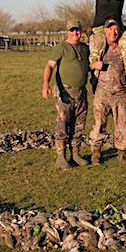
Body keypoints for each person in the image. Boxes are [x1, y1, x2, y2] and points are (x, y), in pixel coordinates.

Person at [42, 19, 90, 169]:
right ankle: (61, 157)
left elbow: (89, 65)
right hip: (65, 92)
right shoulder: (61, 47)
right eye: (72, 30)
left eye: (77, 30)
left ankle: (75, 154)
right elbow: (49, 66)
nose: (75, 33)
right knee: (63, 124)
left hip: (81, 92)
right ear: (67, 32)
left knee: (79, 125)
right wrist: (45, 85)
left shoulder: (85, 48)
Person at [89, 19, 126, 165]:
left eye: (115, 30)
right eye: (110, 29)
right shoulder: (99, 47)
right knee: (99, 123)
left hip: (121, 92)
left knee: (121, 124)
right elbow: (87, 64)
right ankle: (96, 152)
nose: (113, 32)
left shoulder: (124, 47)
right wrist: (93, 65)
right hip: (102, 91)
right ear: (105, 31)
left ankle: (122, 153)